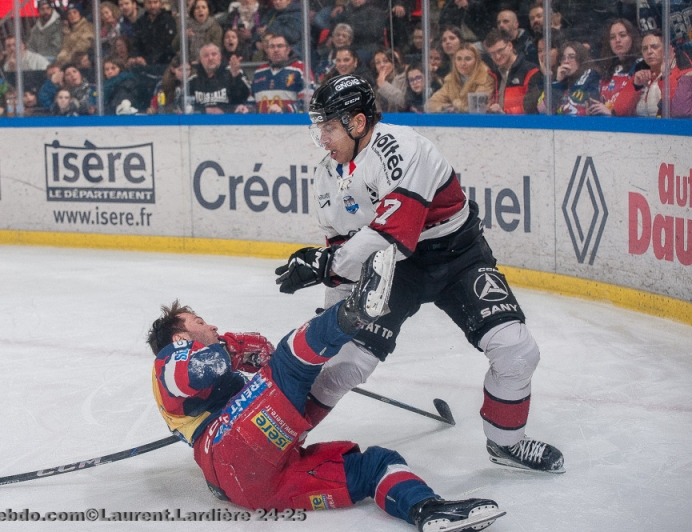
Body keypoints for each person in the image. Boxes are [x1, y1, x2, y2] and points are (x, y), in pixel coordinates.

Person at [275, 74, 565, 474]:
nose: (322, 139)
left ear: (357, 124)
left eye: (328, 127)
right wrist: (334, 326)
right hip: (392, 271)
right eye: (319, 128)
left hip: (457, 255)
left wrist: (325, 265)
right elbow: (346, 256)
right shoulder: (328, 176)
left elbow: (395, 236)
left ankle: (507, 443)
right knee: (345, 368)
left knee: (517, 351)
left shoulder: (403, 149)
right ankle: (274, 442)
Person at [151, 245, 506, 531]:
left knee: (374, 465)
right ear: (181, 336)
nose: (209, 324)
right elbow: (196, 371)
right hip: (229, 446)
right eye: (199, 322)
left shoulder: (206, 370)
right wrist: (234, 349)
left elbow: (262, 354)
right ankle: (354, 311)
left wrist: (253, 356)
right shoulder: (168, 361)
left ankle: (425, 509)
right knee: (291, 360)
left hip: (258, 486)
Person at [610, 30, 692, 119]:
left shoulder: (684, 72)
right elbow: (619, 111)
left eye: (654, 47)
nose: (649, 51)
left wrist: (666, 76)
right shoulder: (642, 73)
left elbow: (676, 112)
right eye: (645, 48)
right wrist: (635, 85)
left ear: (668, 49)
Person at [587, 18, 644, 117]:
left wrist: (612, 114)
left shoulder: (640, 65)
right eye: (612, 37)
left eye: (622, 35)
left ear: (632, 38)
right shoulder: (607, 68)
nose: (617, 40)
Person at [250, 33, 313, 113]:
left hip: (292, 124)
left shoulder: (301, 69)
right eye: (272, 47)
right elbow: (252, 101)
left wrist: (285, 110)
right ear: (267, 51)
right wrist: (247, 108)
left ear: (288, 49)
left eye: (280, 46)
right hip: (263, 124)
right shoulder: (259, 71)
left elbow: (308, 102)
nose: (276, 50)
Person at [483, 29, 538, 115]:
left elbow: (533, 106)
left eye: (500, 50)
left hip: (522, 126)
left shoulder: (530, 71)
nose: (497, 56)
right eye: (492, 54)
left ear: (510, 45)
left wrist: (505, 113)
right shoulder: (493, 74)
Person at [429, 43, 494, 113]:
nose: (463, 63)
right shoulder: (451, 79)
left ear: (477, 61)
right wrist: (447, 108)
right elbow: (430, 104)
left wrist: (456, 105)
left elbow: (477, 108)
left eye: (468, 59)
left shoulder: (485, 77)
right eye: (459, 59)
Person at [188, 42, 251, 113]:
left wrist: (236, 76)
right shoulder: (193, 80)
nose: (210, 58)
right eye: (206, 56)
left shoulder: (232, 72)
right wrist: (204, 110)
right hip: (200, 122)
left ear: (220, 56)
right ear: (200, 59)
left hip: (229, 121)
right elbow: (181, 104)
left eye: (214, 54)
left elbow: (245, 96)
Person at [545, 40, 600, 116]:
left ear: (581, 59)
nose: (566, 61)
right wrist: (557, 82)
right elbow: (545, 108)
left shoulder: (591, 75)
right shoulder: (560, 80)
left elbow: (576, 101)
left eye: (571, 57)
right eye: (563, 58)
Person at [131, 0, 177, 68]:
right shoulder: (140, 22)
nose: (152, 6)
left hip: (164, 63)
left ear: (161, 4)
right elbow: (136, 43)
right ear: (144, 5)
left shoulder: (168, 20)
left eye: (155, 2)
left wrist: (148, 60)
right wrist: (137, 57)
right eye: (149, 3)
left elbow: (167, 45)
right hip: (143, 64)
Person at [370, 48, 407, 113]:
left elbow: (403, 102)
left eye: (386, 61)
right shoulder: (374, 85)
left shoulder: (403, 79)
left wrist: (383, 85)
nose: (382, 65)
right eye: (378, 62)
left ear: (393, 63)